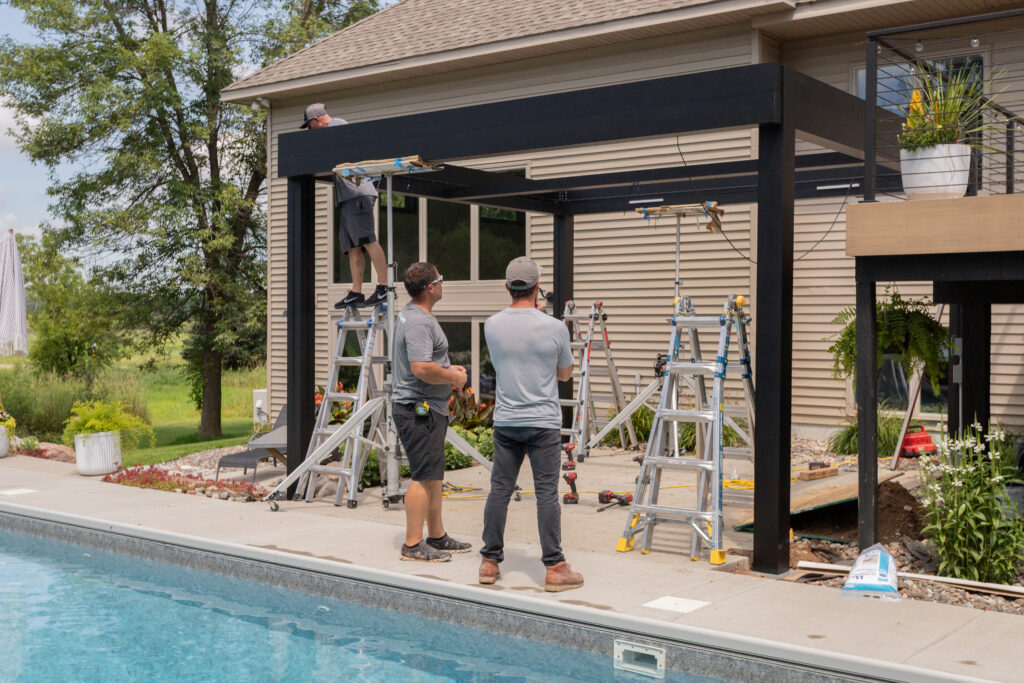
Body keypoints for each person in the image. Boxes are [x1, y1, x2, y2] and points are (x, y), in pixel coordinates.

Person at [479, 257, 583, 592]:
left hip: (507, 421)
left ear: (507, 287)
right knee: (547, 494)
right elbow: (565, 374)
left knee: (499, 491)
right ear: (537, 287)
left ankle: (489, 561)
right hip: (543, 422)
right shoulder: (555, 327)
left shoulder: (491, 325)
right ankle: (554, 567)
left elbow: (503, 364)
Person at [392, 261, 472, 562]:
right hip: (418, 408)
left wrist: (450, 369)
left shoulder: (416, 316)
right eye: (441, 279)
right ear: (431, 288)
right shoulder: (418, 322)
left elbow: (428, 362)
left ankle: (436, 537)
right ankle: (412, 545)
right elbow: (421, 368)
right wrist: (453, 377)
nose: (443, 283)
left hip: (425, 406)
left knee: (434, 475)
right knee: (423, 475)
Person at [301, 103, 388, 309]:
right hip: (348, 197)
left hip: (357, 193)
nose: (310, 131)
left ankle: (384, 287)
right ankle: (356, 292)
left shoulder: (337, 127)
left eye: (309, 127)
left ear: (315, 121)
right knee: (352, 246)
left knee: (367, 239)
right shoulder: (331, 135)